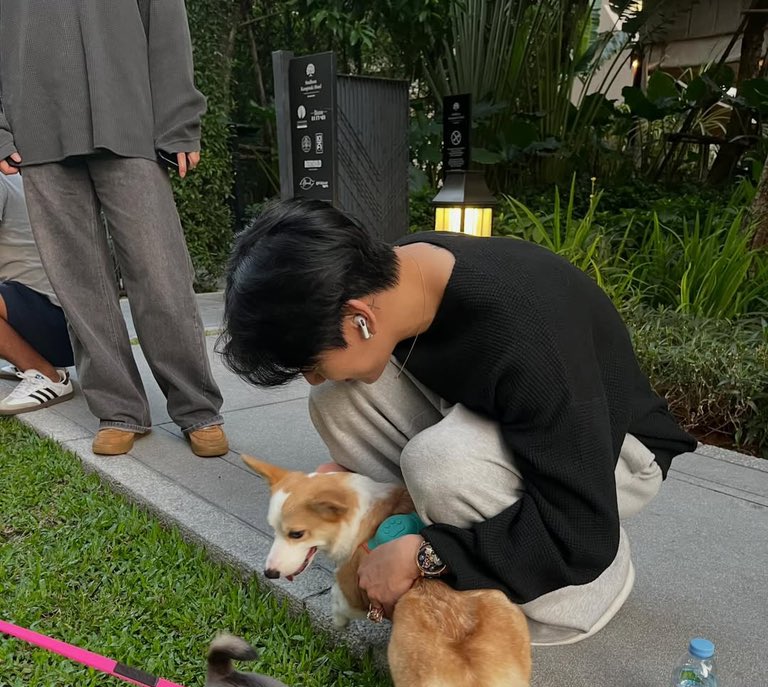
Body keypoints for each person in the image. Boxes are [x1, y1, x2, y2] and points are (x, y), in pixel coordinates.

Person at [221, 199, 696, 645]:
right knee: (334, 400)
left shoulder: (530, 333)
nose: (309, 376)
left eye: (310, 362)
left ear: (358, 319)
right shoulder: (400, 276)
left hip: (615, 454)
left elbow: (583, 533)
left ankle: (587, 592)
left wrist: (428, 555)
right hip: (514, 414)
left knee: (441, 464)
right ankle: (442, 527)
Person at [0, 0, 228, 457]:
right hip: (36, 127)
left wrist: (180, 122)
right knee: (78, 282)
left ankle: (197, 407)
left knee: (159, 270)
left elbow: (165, 24)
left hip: (128, 118)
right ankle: (119, 409)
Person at [0, 173, 74, 415]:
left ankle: (46, 375)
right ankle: (30, 356)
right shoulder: (12, 177)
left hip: (59, 328)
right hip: (69, 324)